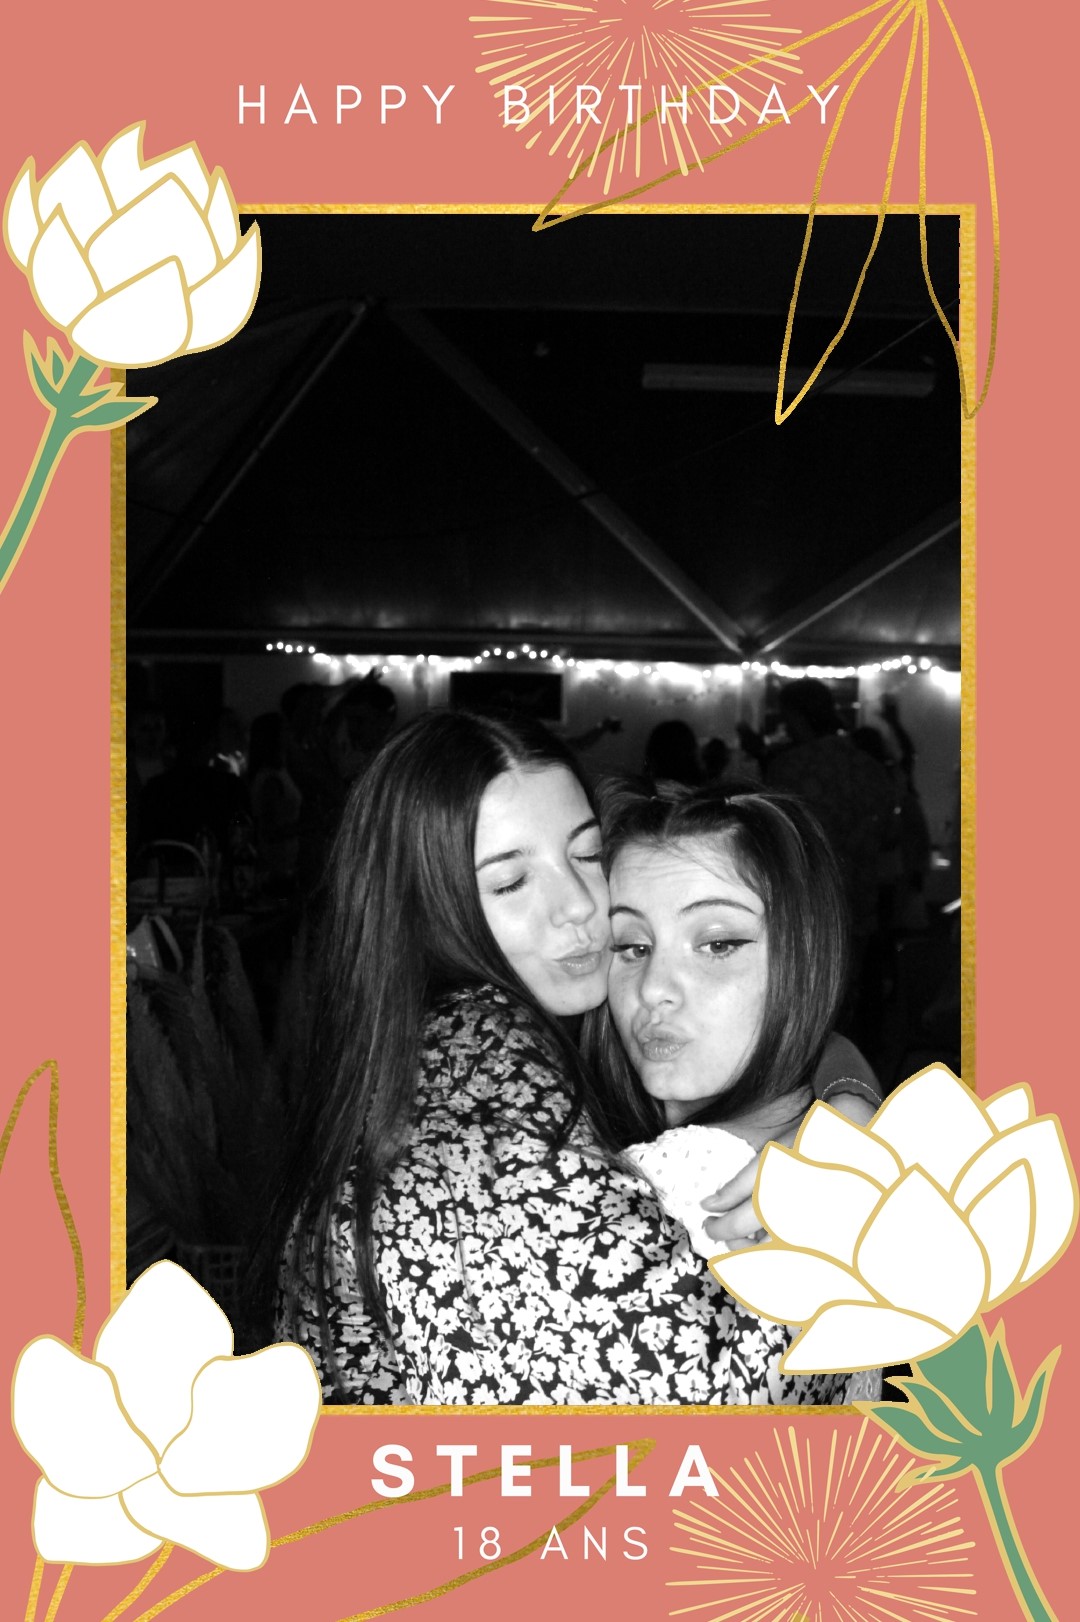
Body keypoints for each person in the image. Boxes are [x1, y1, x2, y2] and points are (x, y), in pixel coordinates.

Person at [273, 711, 870, 1406]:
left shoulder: (433, 1054)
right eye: (510, 882)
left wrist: (847, 1098)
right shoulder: (484, 1070)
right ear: (422, 907)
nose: (579, 907)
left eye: (586, 856)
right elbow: (713, 1405)